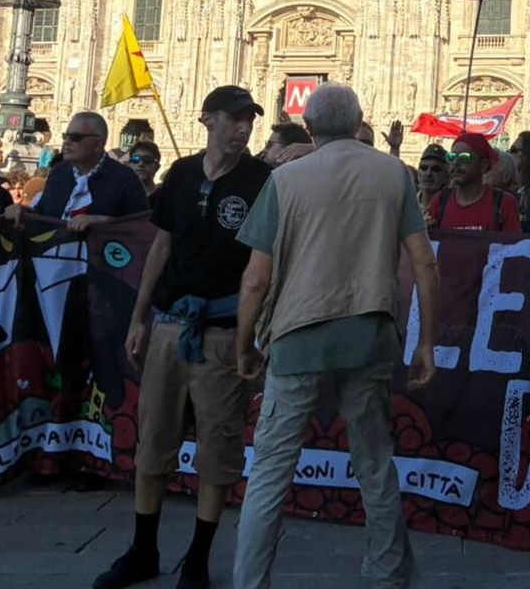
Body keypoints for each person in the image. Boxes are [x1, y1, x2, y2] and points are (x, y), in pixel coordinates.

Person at [232, 84, 439, 588]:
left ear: (307, 128)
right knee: (374, 463)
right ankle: (386, 576)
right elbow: (424, 263)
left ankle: (250, 582)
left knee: (270, 474)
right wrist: (425, 340)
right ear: (358, 122)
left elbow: (256, 278)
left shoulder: (285, 181)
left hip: (298, 335)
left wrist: (244, 344)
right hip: (368, 334)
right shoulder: (393, 173)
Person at [95, 87, 271, 589]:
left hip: (223, 331)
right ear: (207, 119)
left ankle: (197, 557)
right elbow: (162, 245)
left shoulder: (263, 181)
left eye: (249, 121)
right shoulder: (182, 174)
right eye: (233, 119)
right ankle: (143, 549)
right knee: (153, 440)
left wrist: (252, 334)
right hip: (171, 325)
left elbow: (266, 263)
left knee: (218, 446)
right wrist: (139, 316)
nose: (242, 129)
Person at [24, 112, 149, 230]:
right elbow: (43, 215)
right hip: (53, 250)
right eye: (65, 136)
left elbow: (141, 227)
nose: (67, 142)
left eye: (75, 137)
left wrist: (105, 222)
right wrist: (23, 212)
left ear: (98, 144)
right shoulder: (59, 173)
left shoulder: (125, 178)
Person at [427, 134, 521, 232]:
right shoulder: (440, 201)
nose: (455, 163)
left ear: (483, 165)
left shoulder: (503, 203)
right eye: (451, 157)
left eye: (464, 157)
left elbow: (515, 245)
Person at [486, 151, 530, 231]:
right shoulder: (472, 201)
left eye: (488, 168)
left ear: (505, 176)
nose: (481, 172)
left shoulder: (528, 207)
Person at [414, 144, 450, 211]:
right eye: (424, 168)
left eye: (435, 169)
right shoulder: (408, 203)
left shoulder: (450, 207)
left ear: (445, 176)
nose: (428, 173)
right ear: (418, 173)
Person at [128, 140, 163, 207]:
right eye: (135, 159)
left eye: (147, 160)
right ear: (129, 164)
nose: (140, 164)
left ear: (157, 167)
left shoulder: (164, 198)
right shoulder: (121, 196)